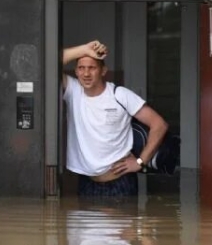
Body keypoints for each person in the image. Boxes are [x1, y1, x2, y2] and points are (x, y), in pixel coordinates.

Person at [63, 40, 171, 196]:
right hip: (86, 183)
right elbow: (47, 61)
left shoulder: (120, 95)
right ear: (76, 71)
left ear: (103, 71)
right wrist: (84, 49)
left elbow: (159, 125)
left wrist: (140, 162)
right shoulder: (73, 91)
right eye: (81, 68)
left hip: (120, 184)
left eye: (92, 68)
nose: (86, 73)